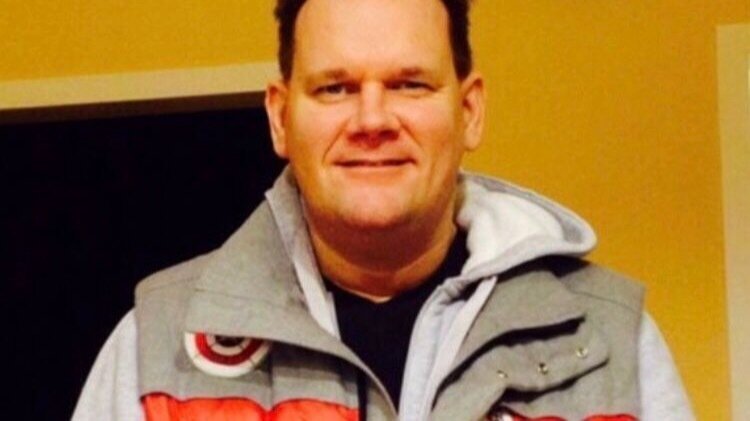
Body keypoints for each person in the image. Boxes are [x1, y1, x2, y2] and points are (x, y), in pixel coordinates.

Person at [73, 0, 695, 420]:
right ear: (280, 118)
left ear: (469, 111)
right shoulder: (156, 344)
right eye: (335, 88)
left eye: (409, 84)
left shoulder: (610, 338)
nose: (372, 120)